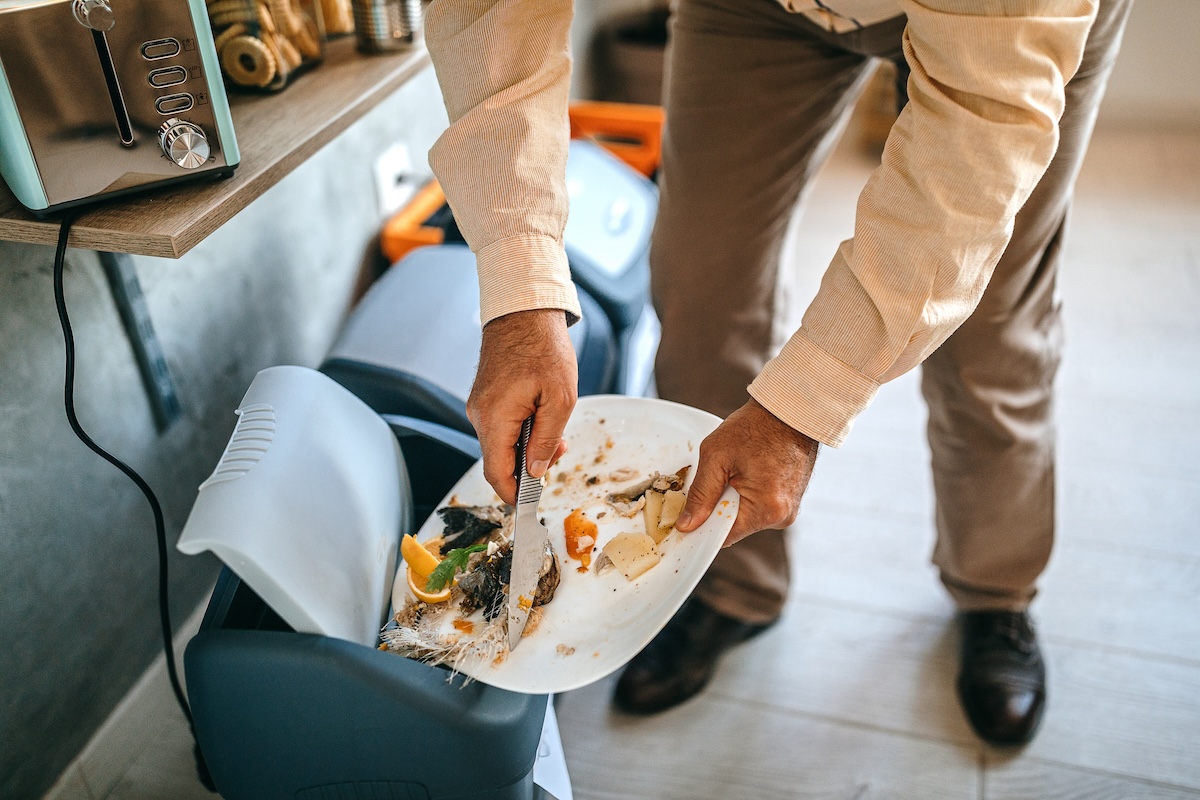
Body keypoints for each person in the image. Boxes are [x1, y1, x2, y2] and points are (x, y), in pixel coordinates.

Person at [421, 0, 1132, 745]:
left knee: (993, 331)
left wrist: (804, 405)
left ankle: (996, 595)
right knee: (702, 284)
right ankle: (730, 583)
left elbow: (976, 148)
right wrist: (521, 293)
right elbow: (490, 14)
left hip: (1000, 33)